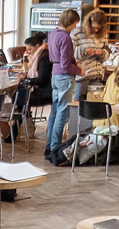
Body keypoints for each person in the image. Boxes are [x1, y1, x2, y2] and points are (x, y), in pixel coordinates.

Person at [45, 8, 83, 156]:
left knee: (54, 111)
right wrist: (80, 71)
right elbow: (66, 64)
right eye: (74, 24)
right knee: (62, 111)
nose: (75, 27)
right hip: (65, 76)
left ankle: (49, 144)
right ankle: (55, 146)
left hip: (54, 75)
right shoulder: (66, 37)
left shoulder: (52, 34)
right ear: (70, 22)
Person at [15, 32, 53, 110]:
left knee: (18, 97)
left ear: (37, 46)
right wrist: (26, 75)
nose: (28, 52)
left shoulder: (44, 57)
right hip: (41, 89)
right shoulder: (38, 56)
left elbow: (42, 79)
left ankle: (22, 118)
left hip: (45, 92)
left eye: (30, 49)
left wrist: (26, 80)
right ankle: (24, 118)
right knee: (19, 94)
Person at [75, 9, 112, 81]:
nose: (96, 30)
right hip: (82, 76)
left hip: (98, 75)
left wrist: (102, 53)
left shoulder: (103, 34)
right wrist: (84, 51)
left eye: (98, 28)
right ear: (89, 23)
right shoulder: (77, 33)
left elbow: (107, 52)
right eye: (94, 28)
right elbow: (69, 54)